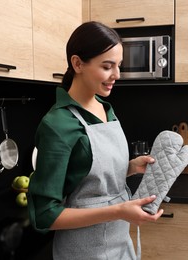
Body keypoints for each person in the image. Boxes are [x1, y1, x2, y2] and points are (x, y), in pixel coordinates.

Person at [27, 21, 164, 259]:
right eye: (107, 66)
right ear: (77, 63)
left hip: (119, 243)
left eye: (118, 65)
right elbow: (45, 216)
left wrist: (130, 167)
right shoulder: (57, 125)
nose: (117, 75)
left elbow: (89, 176)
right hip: (83, 251)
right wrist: (119, 211)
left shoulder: (105, 109)